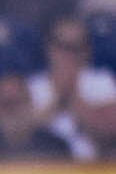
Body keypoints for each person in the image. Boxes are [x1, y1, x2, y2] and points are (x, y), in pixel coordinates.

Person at [28, 14, 116, 158]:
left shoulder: (103, 82)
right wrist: (57, 101)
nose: (70, 54)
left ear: (88, 50)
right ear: (50, 48)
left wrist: (74, 97)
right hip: (43, 169)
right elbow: (20, 136)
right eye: (64, 46)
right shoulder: (33, 86)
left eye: (78, 47)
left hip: (92, 169)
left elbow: (109, 134)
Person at [0, 69, 70, 162]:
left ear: (30, 103)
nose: (13, 110)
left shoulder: (55, 149)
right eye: (6, 103)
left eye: (18, 102)